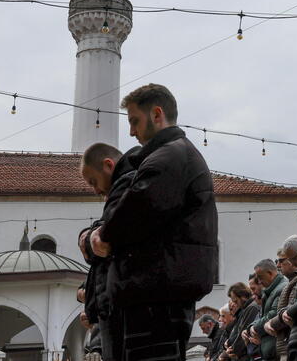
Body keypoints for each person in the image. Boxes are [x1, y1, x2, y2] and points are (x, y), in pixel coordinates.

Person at [90, 83, 218, 361]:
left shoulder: (168, 158)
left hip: (155, 297)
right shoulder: (172, 155)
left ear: (157, 114)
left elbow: (133, 214)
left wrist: (103, 235)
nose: (131, 131)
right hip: (159, 292)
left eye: (135, 121)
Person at [77, 142, 139, 361]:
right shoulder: (125, 186)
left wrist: (90, 239)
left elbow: (109, 238)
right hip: (114, 307)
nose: (95, 190)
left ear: (108, 165)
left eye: (94, 181)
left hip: (122, 308)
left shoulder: (127, 185)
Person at [250, 259, 289, 361]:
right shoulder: (270, 291)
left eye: (260, 277)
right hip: (270, 349)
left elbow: (272, 314)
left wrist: (254, 328)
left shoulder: (281, 288)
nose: (259, 281)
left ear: (270, 273)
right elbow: (263, 316)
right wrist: (251, 327)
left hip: (276, 348)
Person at [267, 248, 297, 361]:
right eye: (277, 261)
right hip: (286, 345)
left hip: (291, 344)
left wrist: (270, 323)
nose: (278, 265)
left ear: (292, 260)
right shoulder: (291, 282)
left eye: (281, 261)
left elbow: (289, 312)